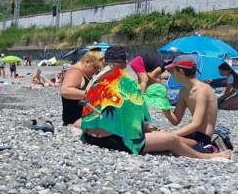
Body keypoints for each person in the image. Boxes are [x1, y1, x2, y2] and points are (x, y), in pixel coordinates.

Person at [80, 48, 229, 160]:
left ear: (105, 62)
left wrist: (163, 107)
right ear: (125, 63)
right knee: (171, 140)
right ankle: (207, 157)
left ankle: (205, 146)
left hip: (90, 137)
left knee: (166, 135)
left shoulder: (95, 80)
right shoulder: (129, 83)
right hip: (117, 141)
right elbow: (142, 126)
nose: (168, 75)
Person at [168, 58, 221, 147]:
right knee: (157, 137)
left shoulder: (202, 90)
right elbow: (176, 120)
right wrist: (163, 107)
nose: (170, 73)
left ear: (180, 71)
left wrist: (171, 134)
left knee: (164, 140)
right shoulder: (184, 91)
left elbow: (196, 124)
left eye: (172, 71)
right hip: (192, 134)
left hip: (203, 138)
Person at [58, 50, 103, 127]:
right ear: (87, 62)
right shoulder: (75, 72)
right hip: (74, 120)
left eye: (98, 69)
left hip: (81, 118)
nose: (96, 71)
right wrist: (90, 94)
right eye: (95, 67)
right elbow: (65, 91)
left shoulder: (85, 72)